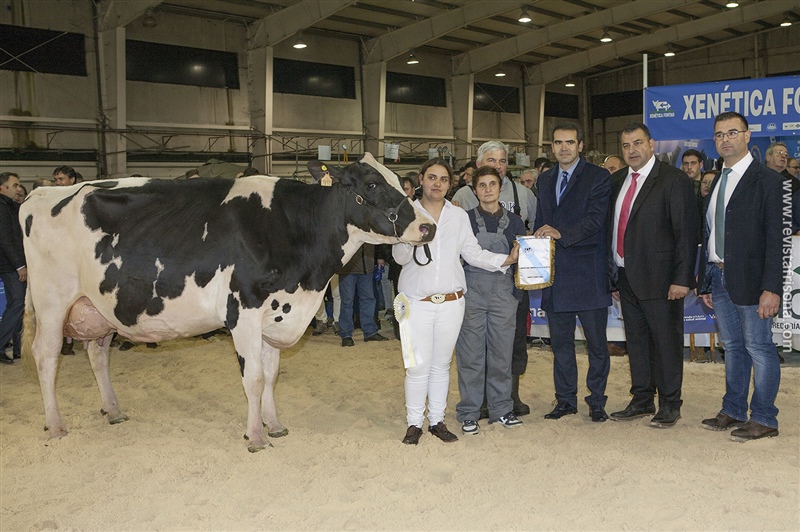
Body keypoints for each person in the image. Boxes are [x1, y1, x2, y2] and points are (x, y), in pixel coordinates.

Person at [394, 158, 518, 445]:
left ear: (450, 185)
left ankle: (437, 420)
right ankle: (414, 423)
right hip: (415, 301)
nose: (437, 184)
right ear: (422, 180)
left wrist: (506, 260)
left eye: (443, 179)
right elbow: (399, 259)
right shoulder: (406, 213)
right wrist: (412, 238)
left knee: (441, 365)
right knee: (417, 367)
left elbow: (473, 254)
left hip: (451, 301)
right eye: (432, 178)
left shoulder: (458, 216)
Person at [698, 111, 786, 441]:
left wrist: (772, 289)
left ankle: (764, 417)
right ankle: (734, 409)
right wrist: (706, 280)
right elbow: (711, 235)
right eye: (719, 135)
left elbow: (775, 239)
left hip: (754, 280)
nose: (725, 139)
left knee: (759, 348)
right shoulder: (718, 179)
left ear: (747, 137)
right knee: (733, 347)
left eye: (732, 133)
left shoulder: (768, 180)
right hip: (719, 278)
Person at [608, 122, 700, 428]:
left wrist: (682, 278)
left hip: (662, 280)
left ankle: (670, 403)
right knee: (636, 342)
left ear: (651, 145)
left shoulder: (673, 180)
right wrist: (613, 273)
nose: (632, 150)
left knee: (666, 343)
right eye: (625, 145)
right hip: (625, 276)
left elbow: (685, 233)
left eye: (637, 143)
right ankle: (643, 398)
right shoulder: (618, 179)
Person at [533, 122, 612, 422]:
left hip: (588, 274)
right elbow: (541, 221)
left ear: (580, 145)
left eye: (569, 142)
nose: (563, 147)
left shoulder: (598, 176)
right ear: (551, 147)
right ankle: (565, 400)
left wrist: (559, 233)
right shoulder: (545, 179)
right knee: (561, 345)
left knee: (597, 347)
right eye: (557, 143)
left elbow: (595, 220)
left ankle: (597, 401)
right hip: (556, 277)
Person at [452, 141, 537, 417]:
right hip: (472, 296)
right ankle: (470, 410)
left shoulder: (514, 221)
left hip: (504, 297)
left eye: (492, 184)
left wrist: (517, 295)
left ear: (500, 187)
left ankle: (502, 408)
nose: (488, 189)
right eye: (482, 185)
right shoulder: (463, 219)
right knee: (471, 357)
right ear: (474, 190)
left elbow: (524, 260)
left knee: (502, 357)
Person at [0, 172, 27, 365]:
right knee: (17, 303)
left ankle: (19, 348)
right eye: (15, 185)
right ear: (3, 188)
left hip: (12, 264)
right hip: (10, 266)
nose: (18, 188)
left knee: (20, 305)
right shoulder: (2, 208)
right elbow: (6, 240)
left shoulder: (9, 206)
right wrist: (20, 266)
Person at [338, 244, 389, 346]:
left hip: (367, 266)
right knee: (347, 301)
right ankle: (346, 334)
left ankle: (370, 331)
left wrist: (379, 256)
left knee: (369, 299)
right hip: (347, 267)